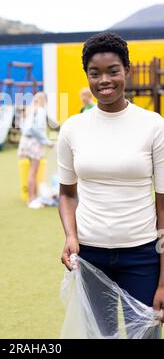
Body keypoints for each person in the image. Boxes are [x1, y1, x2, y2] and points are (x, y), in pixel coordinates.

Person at [58, 32, 164, 337]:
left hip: (143, 255)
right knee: (99, 334)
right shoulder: (73, 129)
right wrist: (70, 235)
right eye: (95, 73)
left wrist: (163, 281)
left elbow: (163, 202)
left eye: (113, 71)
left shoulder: (154, 126)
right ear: (87, 77)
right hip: (91, 255)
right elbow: (67, 194)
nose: (104, 80)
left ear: (127, 71)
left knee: (144, 334)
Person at [18, 92, 53, 209]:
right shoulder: (40, 111)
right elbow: (36, 130)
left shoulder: (29, 110)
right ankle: (31, 199)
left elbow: (23, 127)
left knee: (31, 172)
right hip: (34, 143)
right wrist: (47, 142)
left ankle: (32, 197)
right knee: (33, 172)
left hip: (25, 141)